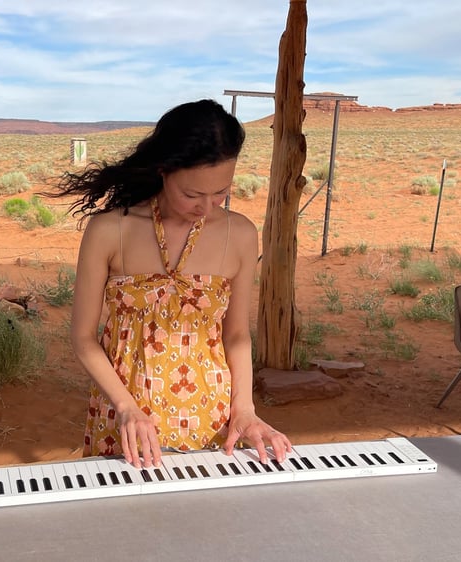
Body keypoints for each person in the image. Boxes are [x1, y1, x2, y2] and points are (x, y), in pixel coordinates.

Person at [55, 99, 292, 469]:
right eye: (193, 194)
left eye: (221, 192)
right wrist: (127, 408)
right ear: (164, 170)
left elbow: (236, 336)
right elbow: (83, 337)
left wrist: (244, 410)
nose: (208, 207)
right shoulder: (109, 231)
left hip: (211, 417)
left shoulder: (240, 234)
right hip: (126, 422)